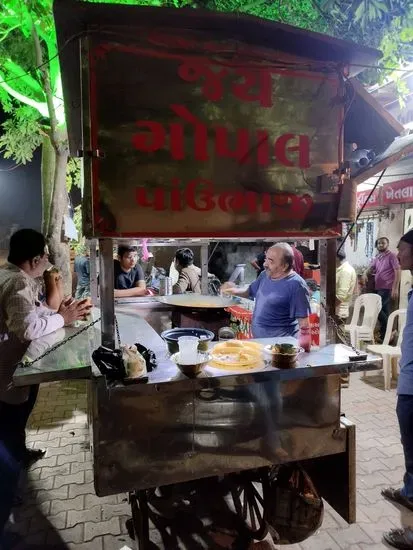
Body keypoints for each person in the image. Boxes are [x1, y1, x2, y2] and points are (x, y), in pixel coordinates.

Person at [0, 229, 90, 467]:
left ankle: (18, 456)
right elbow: (27, 328)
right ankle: (11, 477)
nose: (48, 263)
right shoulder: (18, 281)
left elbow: (33, 311)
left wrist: (61, 313)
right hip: (8, 367)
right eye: (46, 257)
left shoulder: (9, 275)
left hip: (14, 364)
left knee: (15, 418)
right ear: (35, 260)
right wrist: (63, 317)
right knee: (11, 419)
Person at [382, 229, 413, 549]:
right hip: (408, 382)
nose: (399, 255)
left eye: (403, 251)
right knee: (410, 448)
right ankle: (409, 491)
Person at [223, 243, 311, 339]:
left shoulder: (296, 285)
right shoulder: (264, 275)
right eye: (266, 259)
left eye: (271, 261)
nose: (265, 264)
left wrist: (303, 349)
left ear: (285, 266)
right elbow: (249, 291)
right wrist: (232, 290)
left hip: (280, 346)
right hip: (260, 341)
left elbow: (304, 324)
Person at [363, 237, 400, 342]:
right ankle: (386, 337)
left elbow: (397, 270)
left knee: (377, 309)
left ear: (387, 244)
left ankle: (391, 330)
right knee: (384, 311)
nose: (380, 245)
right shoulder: (378, 257)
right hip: (378, 287)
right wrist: (365, 273)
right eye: (379, 243)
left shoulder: (392, 256)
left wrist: (395, 288)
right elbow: (370, 267)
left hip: (387, 287)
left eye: (383, 243)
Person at [336, 249, 356, 322]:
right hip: (338, 310)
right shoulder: (341, 269)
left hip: (339, 312)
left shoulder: (345, 271)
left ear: (337, 258)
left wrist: (330, 308)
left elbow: (341, 295)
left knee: (337, 332)